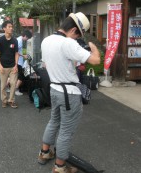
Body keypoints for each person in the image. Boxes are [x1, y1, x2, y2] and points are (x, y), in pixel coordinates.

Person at [38, 12, 100, 173]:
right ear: (73, 30)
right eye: (78, 35)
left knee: (53, 121)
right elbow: (95, 60)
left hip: (54, 88)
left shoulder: (46, 40)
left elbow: (45, 65)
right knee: (66, 130)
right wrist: (93, 46)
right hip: (69, 93)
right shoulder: (68, 43)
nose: (76, 39)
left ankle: (44, 153)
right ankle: (60, 167)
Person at [0, 20, 19, 109]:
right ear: (4, 28)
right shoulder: (0, 40)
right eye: (9, 27)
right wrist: (0, 66)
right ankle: (4, 100)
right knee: (3, 85)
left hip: (13, 66)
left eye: (12, 27)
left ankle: (11, 100)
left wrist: (16, 65)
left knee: (13, 83)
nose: (11, 28)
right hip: (3, 67)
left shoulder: (14, 40)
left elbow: (16, 53)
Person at [15, 30, 32, 96]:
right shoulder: (19, 41)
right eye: (27, 38)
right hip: (18, 61)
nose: (27, 39)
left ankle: (8, 87)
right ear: (25, 36)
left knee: (14, 76)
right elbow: (15, 52)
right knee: (21, 76)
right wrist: (23, 55)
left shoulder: (19, 39)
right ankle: (16, 89)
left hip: (19, 61)